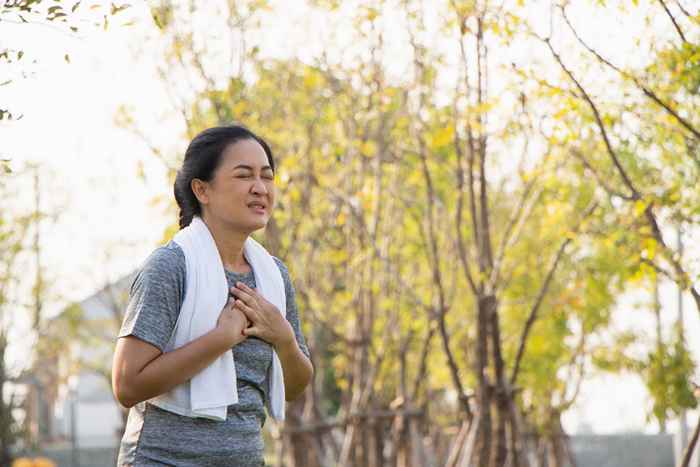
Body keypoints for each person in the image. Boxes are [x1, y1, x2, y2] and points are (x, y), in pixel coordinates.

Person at [111, 124, 314, 466]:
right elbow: (127, 385)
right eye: (243, 175)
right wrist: (220, 339)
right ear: (202, 189)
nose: (260, 188)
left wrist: (284, 339)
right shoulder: (171, 267)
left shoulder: (273, 276)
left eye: (267, 176)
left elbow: (295, 387)